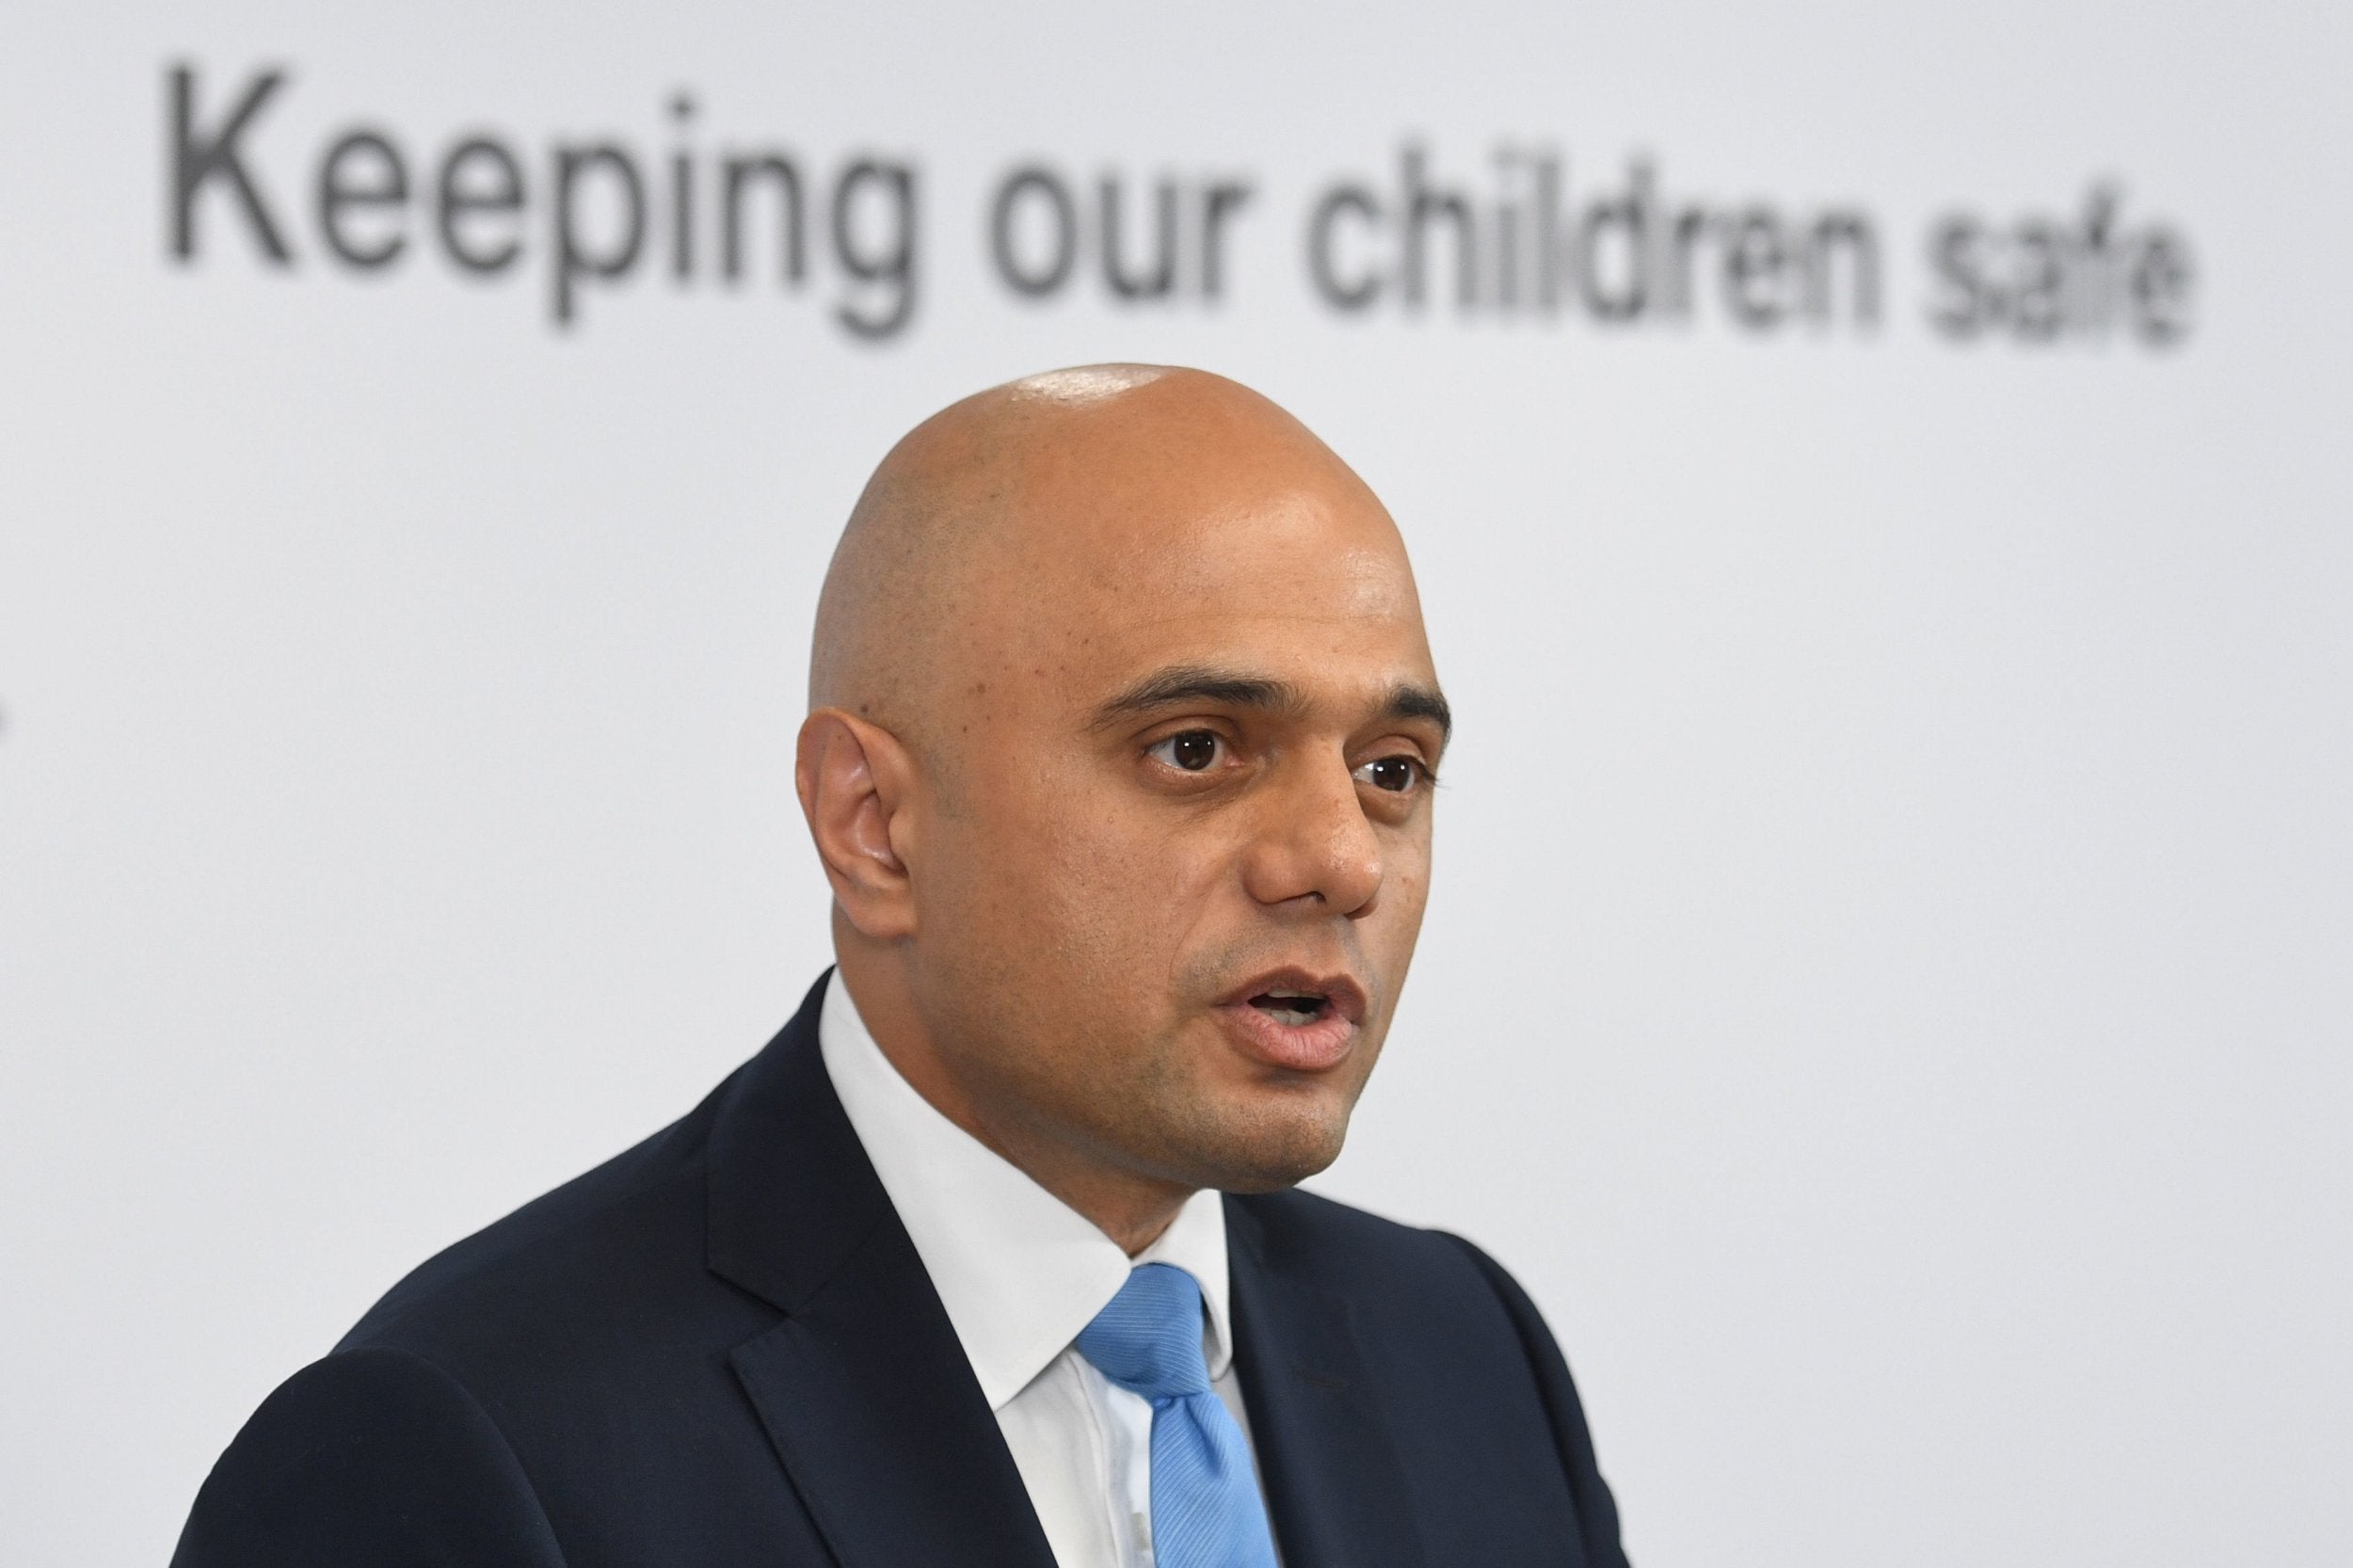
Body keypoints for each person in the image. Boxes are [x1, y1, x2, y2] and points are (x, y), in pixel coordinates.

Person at [172, 365, 1630, 1568]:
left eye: (1392, 770)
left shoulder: (1469, 1360)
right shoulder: (465, 1452)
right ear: (872, 825)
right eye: (1195, 749)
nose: (1343, 858)